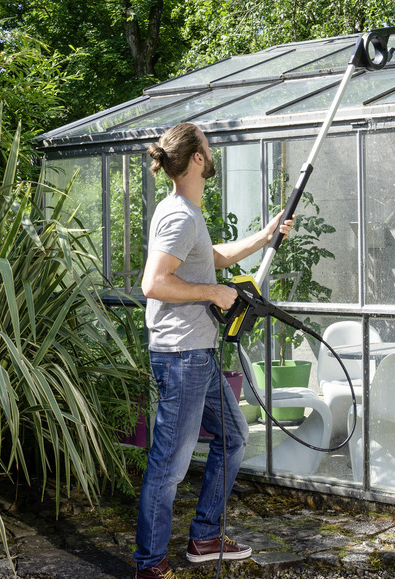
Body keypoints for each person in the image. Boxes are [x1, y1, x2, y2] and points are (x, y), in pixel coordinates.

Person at [133, 122, 294, 579]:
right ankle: (150, 565)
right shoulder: (180, 215)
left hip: (197, 356)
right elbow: (154, 283)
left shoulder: (186, 213)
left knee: (235, 437)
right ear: (198, 158)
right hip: (182, 357)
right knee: (169, 465)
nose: (212, 148)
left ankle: (205, 536)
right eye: (207, 143)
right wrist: (213, 293)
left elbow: (210, 256)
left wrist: (263, 239)